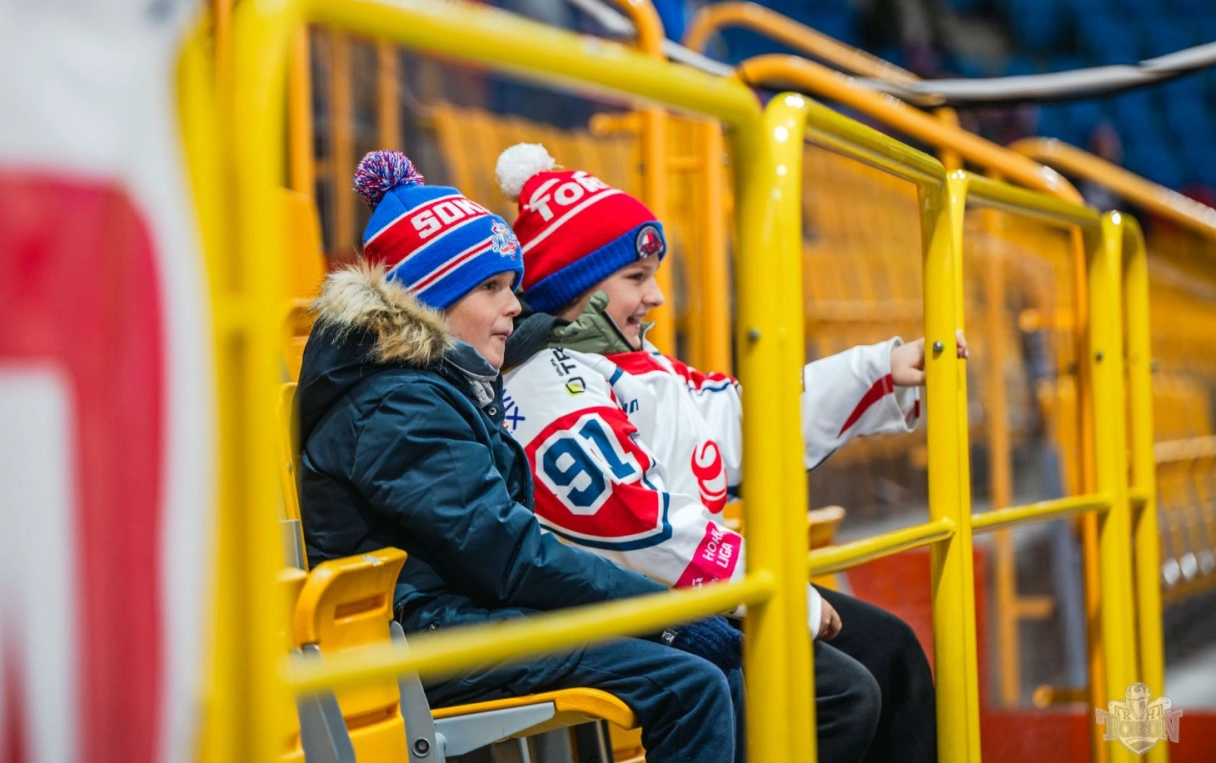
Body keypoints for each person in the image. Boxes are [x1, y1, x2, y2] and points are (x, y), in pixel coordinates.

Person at [496, 143, 957, 763]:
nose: (657, 297)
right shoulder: (544, 388)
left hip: (692, 594)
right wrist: (773, 591)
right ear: (574, 287)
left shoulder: (635, 364)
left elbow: (739, 419)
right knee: (842, 698)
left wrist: (879, 370)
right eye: (636, 278)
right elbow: (644, 526)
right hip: (633, 610)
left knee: (891, 650)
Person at [298, 150, 748, 763]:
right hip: (423, 635)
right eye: (491, 288)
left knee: (703, 658)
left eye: (512, 286)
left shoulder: (428, 386)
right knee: (688, 682)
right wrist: (660, 611)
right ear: (427, 301)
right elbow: (507, 553)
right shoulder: (395, 405)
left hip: (455, 616)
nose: (515, 305)